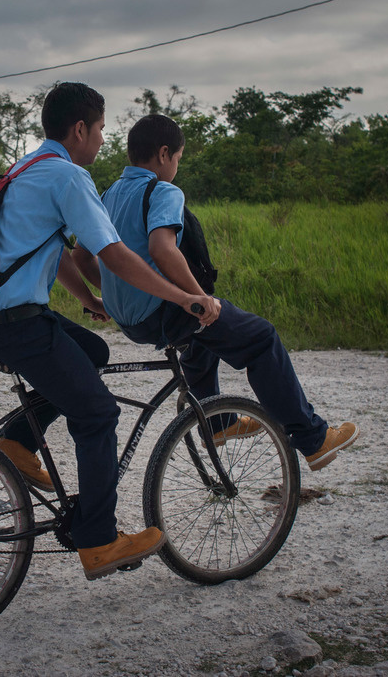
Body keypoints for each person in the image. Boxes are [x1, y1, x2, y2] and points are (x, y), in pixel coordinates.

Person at [0, 84, 221, 581]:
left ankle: (18, 442)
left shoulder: (26, 168)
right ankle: (99, 540)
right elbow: (117, 254)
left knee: (93, 351)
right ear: (79, 129)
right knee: (99, 413)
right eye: (100, 129)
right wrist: (182, 296)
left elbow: (56, 251)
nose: (102, 140)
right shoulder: (69, 177)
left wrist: (88, 300)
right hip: (16, 323)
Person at [83, 113, 359, 471]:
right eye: (179, 159)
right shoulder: (163, 191)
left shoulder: (109, 194)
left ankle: (217, 423)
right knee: (259, 338)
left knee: (200, 340)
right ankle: (313, 439)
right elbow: (162, 249)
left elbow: (81, 256)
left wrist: (117, 293)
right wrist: (199, 298)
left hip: (129, 320)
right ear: (164, 154)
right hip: (162, 312)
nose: (177, 167)